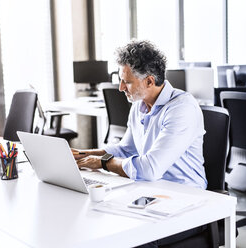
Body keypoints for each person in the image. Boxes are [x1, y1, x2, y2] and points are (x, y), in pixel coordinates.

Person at [73, 40, 207, 247]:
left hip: (185, 200)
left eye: (126, 81)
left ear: (149, 82)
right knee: (97, 223)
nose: (120, 87)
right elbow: (126, 149)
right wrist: (84, 155)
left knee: (129, 239)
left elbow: (150, 168)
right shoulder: (140, 105)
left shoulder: (182, 109)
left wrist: (101, 163)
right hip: (150, 191)